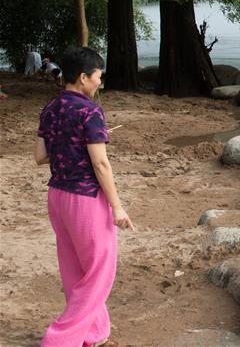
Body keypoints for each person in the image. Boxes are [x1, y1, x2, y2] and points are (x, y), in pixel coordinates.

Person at [35, 46, 135, 347]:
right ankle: (59, 340)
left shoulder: (50, 109)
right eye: (98, 77)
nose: (100, 83)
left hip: (58, 196)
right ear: (83, 77)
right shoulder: (90, 110)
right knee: (98, 273)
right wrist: (117, 207)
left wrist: (66, 143)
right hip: (86, 198)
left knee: (74, 269)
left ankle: (94, 332)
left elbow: (39, 156)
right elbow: (100, 163)